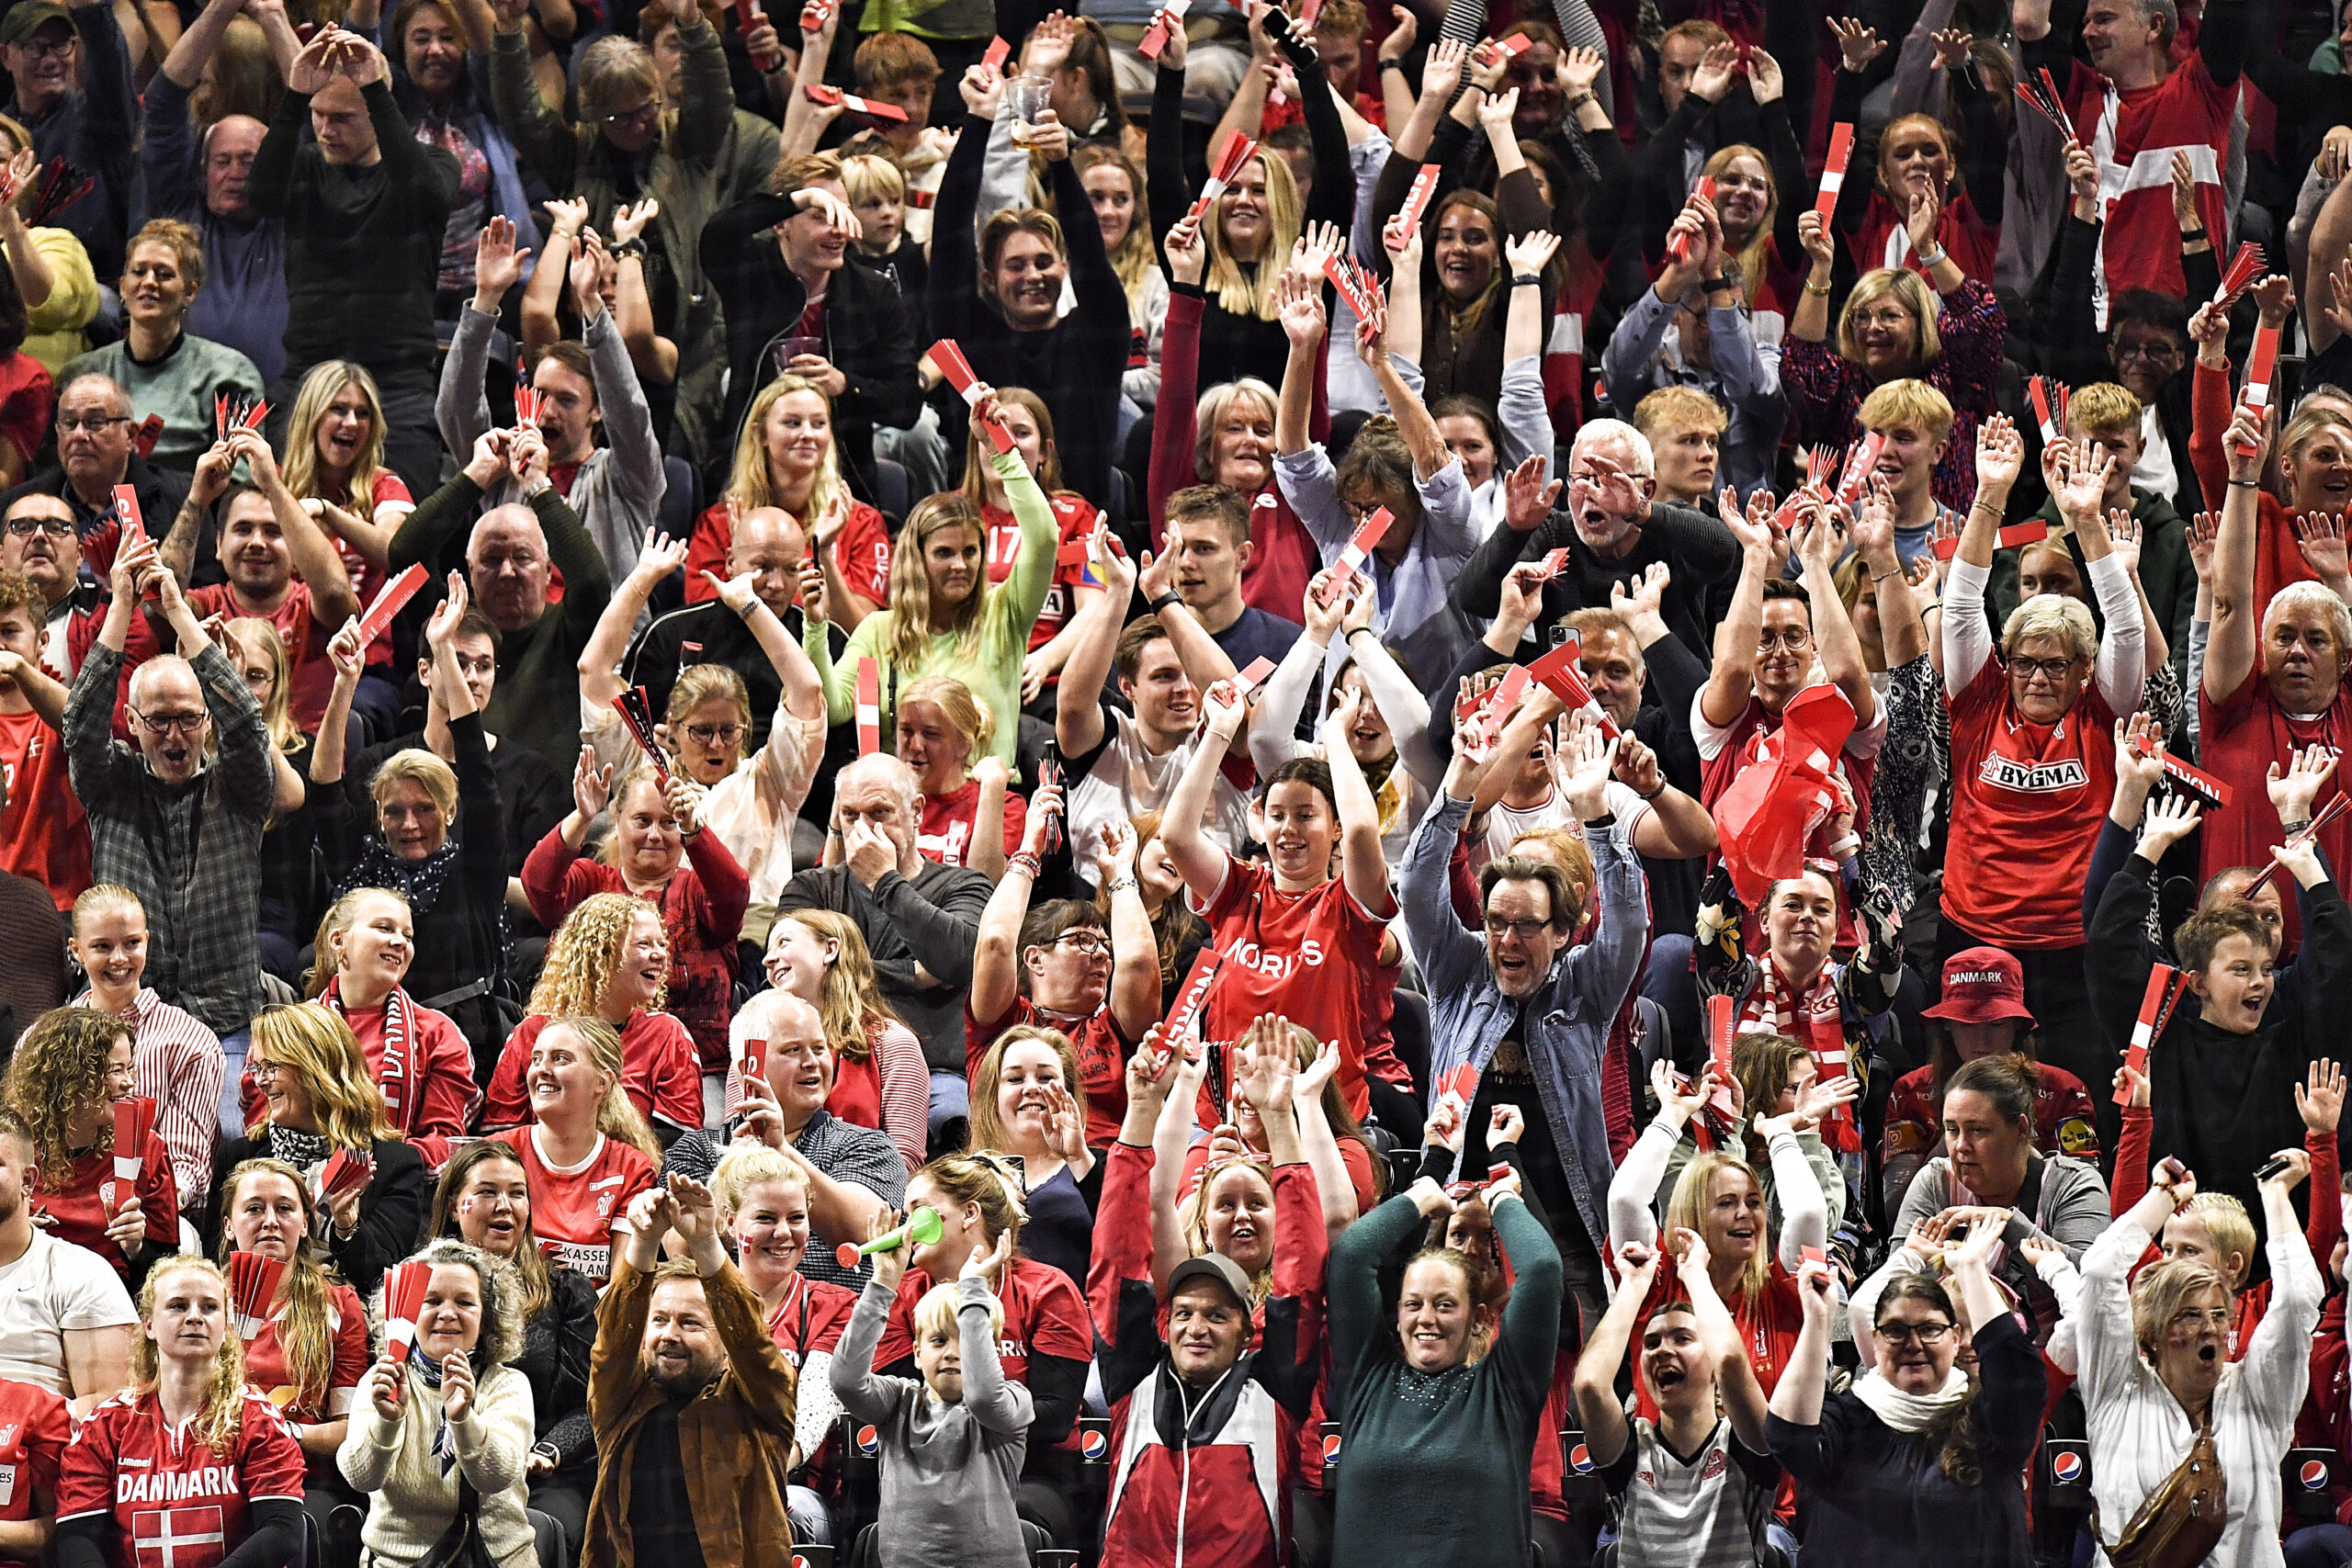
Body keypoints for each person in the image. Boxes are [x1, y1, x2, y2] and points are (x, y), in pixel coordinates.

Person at [1940, 418, 2143, 1093]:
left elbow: (2128, 621)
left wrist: (2085, 519)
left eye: (2055, 665)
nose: (2037, 678)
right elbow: (1962, 599)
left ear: (2086, 669)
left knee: (2081, 1102)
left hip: (2074, 949)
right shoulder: (1979, 699)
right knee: (1974, 1103)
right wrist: (1990, 493)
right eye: (2024, 663)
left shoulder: (2102, 708)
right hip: (1977, 938)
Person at [1086, 1032, 1324, 1567]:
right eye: (1186, 1313)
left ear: (1247, 1331)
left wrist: (1281, 1121)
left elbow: (1301, 1275)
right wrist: (1140, 1114)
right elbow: (1117, 1258)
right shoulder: (1133, 1383)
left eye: (1218, 1315)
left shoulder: (1274, 1388)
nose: (1198, 1327)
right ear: (1165, 1327)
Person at [2090, 788, 2351, 1245]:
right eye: (2240, 969)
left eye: (2267, 970)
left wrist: (2312, 873)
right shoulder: (2160, 1034)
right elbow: (2108, 945)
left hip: (2274, 1256)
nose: (2259, 981)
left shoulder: (2297, 1037)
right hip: (2178, 1249)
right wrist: (2148, 849)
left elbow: (2339, 963)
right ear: (2197, 980)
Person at [1163, 671, 1402, 1129]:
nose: (1288, 829)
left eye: (1305, 815)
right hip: (1225, 1123)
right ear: (1261, 824)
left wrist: (1335, 738)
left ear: (1334, 828)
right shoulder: (1237, 889)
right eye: (1277, 815)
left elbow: (1362, 830)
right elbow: (1176, 836)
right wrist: (1218, 730)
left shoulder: (1349, 906)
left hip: (1325, 1126)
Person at [579, 535, 828, 958]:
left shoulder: (771, 780)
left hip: (752, 945)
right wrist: (644, 579)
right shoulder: (645, 772)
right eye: (701, 731)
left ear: (746, 730)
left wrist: (750, 607)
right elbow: (594, 669)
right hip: (650, 938)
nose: (717, 743)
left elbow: (807, 686)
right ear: (673, 729)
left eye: (729, 730)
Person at [63, 538, 269, 1048]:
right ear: (132, 723)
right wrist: (122, 606)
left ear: (207, 720)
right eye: (158, 721)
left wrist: (181, 615)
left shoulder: (240, 787)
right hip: (123, 1024)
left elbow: (246, 724)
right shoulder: (112, 785)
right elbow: (81, 725)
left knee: (223, 1130)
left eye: (188, 719)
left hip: (227, 1021)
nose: (175, 737)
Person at [2080, 1153, 2322, 1565]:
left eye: (2217, 1314)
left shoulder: (2257, 1396)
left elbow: (2299, 1298)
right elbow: (2101, 1274)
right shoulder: (2116, 1389)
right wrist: (2164, 1196)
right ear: (2152, 1334)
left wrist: (2276, 1193)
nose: (2210, 1328)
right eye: (2190, 1316)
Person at [250, 27, 458, 494]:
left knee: (406, 533)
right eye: (318, 115)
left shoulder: (433, 165)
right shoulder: (304, 164)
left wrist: (375, 89)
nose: (326, 129)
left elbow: (423, 194)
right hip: (305, 378)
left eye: (342, 117)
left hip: (398, 386)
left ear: (380, 113)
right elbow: (260, 195)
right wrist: (293, 95)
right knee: (277, 519)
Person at [1765, 1220, 2046, 1565]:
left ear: (1955, 1338)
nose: (1914, 1344)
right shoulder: (1848, 1420)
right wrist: (1817, 1322)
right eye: (1896, 1331)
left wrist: (1971, 1269)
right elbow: (1787, 1437)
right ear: (1876, 1339)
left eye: (1930, 1329)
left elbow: (2020, 1377)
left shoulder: (1991, 1422)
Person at [310, 587, 510, 1071]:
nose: (409, 824)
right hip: (361, 1055)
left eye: (424, 809)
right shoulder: (361, 871)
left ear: (449, 814)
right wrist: (344, 684)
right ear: (378, 815)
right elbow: (324, 786)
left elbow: (480, 778)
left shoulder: (475, 871)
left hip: (465, 1051)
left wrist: (444, 650)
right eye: (394, 811)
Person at [1326, 1156, 1559, 1563]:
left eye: (1445, 1305)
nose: (1426, 1319)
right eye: (1413, 1304)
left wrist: (1502, 1194)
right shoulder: (1367, 1378)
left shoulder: (1504, 1391)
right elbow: (1351, 1256)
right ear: (1396, 1313)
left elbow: (1541, 1269)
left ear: (1478, 1319)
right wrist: (1420, 1196)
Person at [856, 1153, 1090, 1549]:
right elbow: (899, 1402)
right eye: (904, 1215)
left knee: (1018, 1521)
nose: (906, 1229)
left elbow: (1056, 1416)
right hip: (925, 1464)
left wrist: (981, 1420)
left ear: (969, 1214)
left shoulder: (1047, 1289)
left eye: (921, 1212)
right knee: (869, 1528)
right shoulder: (902, 1295)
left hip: (1034, 1468)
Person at [810, 399, 1055, 770]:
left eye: (971, 552)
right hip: (906, 808)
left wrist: (999, 450)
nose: (961, 565)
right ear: (917, 558)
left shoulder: (1004, 614)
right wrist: (815, 627)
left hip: (987, 808)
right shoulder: (879, 632)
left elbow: (1044, 537)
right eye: (944, 553)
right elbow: (832, 706)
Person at [585, 1174, 799, 1568]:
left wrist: (704, 1242)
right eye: (660, 1320)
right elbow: (614, 1341)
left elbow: (752, 1341)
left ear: (725, 1343)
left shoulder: (760, 1406)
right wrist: (644, 1241)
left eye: (691, 1323)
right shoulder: (621, 1402)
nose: (670, 1335)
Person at [2200, 400, 2352, 947]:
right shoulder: (2232, 706)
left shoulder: (2348, 710)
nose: (2297, 652)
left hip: (2333, 967)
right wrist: (2242, 480)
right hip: (2234, 966)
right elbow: (2231, 604)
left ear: (2343, 659)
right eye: (2283, 637)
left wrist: (2338, 578)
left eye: (2316, 641)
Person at [443, 219, 666, 584]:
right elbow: (456, 409)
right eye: (540, 395)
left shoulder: (627, 475)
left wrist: (592, 304)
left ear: (597, 410)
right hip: (513, 633)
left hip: (602, 638)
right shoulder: (504, 471)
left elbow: (629, 409)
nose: (547, 412)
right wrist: (484, 301)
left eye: (566, 400)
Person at [779, 754, 992, 1134]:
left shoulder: (964, 885)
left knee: (952, 1122)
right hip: (827, 1064)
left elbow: (960, 960)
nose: (862, 830)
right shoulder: (810, 888)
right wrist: (914, 973)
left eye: (878, 812)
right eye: (850, 815)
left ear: (916, 811)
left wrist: (883, 881)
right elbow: (787, 972)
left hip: (934, 1072)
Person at [698, 156, 920, 509]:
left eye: (842, 213)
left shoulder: (873, 293)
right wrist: (799, 199)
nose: (838, 229)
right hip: (749, 473)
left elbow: (907, 404)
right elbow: (716, 233)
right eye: (821, 215)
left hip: (844, 481)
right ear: (782, 224)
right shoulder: (751, 272)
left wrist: (844, 385)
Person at [54, 1259, 305, 1568]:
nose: (195, 1317)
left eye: (210, 1307)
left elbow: (282, 1531)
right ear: (148, 1325)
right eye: (177, 1306)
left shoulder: (259, 1418)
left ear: (227, 1328)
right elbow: (75, 1538)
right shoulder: (104, 1427)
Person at [386, 428, 613, 766]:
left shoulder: (570, 632)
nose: (507, 572)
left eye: (522, 558)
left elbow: (592, 581)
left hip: (545, 805)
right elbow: (405, 553)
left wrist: (538, 487)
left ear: (550, 570)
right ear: (470, 569)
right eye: (492, 559)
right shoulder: (448, 625)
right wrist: (475, 476)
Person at [831, 1200, 1032, 1568]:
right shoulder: (899, 1401)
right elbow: (846, 1381)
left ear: (989, 1348)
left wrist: (973, 1291)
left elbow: (984, 1397)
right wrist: (882, 1285)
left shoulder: (1014, 1401)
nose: (953, 1353)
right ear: (917, 1353)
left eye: (967, 1339)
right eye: (939, 1340)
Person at [1450, 418, 1739, 664]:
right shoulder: (1551, 532)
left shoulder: (1669, 527)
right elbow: (1474, 599)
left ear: (1647, 489)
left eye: (1610, 480)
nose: (1592, 492)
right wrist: (1513, 530)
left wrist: (1641, 511)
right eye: (1581, 479)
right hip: (1571, 717)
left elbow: (1723, 551)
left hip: (1669, 716)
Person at [525, 758, 750, 1074]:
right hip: (592, 1067)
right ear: (618, 822)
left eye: (669, 823)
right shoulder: (591, 883)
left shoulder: (698, 891)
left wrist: (696, 829)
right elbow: (539, 884)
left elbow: (734, 891)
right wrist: (583, 816)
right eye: (643, 821)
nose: (655, 835)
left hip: (699, 1071)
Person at [666, 995, 903, 1292]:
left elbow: (869, 1228)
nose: (812, 1062)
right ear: (748, 1069)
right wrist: (737, 1166)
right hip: (725, 1327)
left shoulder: (866, 1144)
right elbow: (679, 1249)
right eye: (793, 1050)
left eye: (819, 1048)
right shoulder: (697, 1150)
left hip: (834, 1330)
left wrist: (780, 1151)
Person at [427, 1141, 598, 1551]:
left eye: (517, 1193)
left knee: (535, 1530)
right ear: (455, 1206)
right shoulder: (417, 1286)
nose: (505, 1205)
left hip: (538, 1475)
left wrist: (549, 1451)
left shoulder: (566, 1291)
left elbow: (591, 1403)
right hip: (434, 1467)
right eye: (487, 1192)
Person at [1573, 1234, 1778, 1568]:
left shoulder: (1743, 1445)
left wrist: (1696, 1272)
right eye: (1651, 1343)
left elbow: (1728, 1358)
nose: (1663, 1350)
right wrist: (1633, 1286)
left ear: (1711, 1368)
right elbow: (1590, 1385)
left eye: (1683, 1338)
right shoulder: (1632, 1449)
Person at [204, 1004, 428, 1302]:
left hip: (348, 1330)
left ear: (315, 1069)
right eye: (257, 1068)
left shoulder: (394, 1164)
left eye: (272, 1067)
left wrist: (347, 1225)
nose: (260, 1081)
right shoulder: (239, 1158)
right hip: (253, 1321)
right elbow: (215, 1264)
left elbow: (381, 1282)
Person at [1785, 211, 2004, 512]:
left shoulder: (1955, 376)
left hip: (1948, 543)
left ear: (1921, 321)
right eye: (1862, 317)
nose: (1873, 327)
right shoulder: (1841, 385)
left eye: (1889, 316)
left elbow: (1980, 320)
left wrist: (1928, 249)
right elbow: (1802, 360)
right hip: (1855, 545)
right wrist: (1822, 267)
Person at [968, 808, 1158, 1150]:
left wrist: (1120, 876)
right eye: (1082, 941)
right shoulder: (1003, 1022)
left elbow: (1140, 962)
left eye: (1104, 946)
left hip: (1096, 1179)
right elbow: (996, 941)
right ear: (1035, 958)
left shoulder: (1116, 1032)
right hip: (1003, 1182)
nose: (1101, 954)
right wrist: (1028, 850)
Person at [338, 1240, 535, 1568]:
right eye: (432, 1301)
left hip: (496, 1561)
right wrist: (387, 1421)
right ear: (408, 1313)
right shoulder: (381, 1380)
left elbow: (495, 1478)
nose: (447, 1313)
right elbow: (360, 1478)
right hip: (395, 1562)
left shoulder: (508, 1385)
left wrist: (464, 1420)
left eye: (465, 1302)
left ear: (486, 1318)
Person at [158, 428, 361, 738]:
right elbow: (157, 600)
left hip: (305, 761)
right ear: (218, 544)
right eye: (243, 530)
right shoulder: (206, 607)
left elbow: (335, 593)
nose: (257, 542)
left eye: (273, 531)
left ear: (294, 545)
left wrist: (273, 485)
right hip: (215, 760)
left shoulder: (310, 606)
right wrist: (198, 496)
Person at [1883, 947, 2104, 1215]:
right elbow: (1894, 1210)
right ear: (1947, 1026)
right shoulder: (1912, 1091)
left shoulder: (2064, 1091)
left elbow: (2087, 1202)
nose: (1981, 1042)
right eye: (1966, 1024)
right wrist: (1954, 1134)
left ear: (2018, 1025)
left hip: (2043, 1240)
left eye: (1995, 1025)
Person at [708, 1144, 854, 1545]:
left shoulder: (833, 1306)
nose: (783, 1233)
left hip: (798, 1488)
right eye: (765, 1218)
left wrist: (758, 1476)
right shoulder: (695, 1303)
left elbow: (815, 1408)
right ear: (728, 1221)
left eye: (796, 1218)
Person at [139, 0, 290, 386]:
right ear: (204, 170)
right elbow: (162, 103)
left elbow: (321, 111)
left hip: (281, 410)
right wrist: (221, 8)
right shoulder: (180, 216)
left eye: (249, 162)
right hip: (189, 407)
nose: (236, 174)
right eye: (223, 162)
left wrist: (273, 17)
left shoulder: (296, 218)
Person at [1601, 191, 1785, 501]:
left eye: (1733, 314)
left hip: (1743, 538)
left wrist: (1714, 279)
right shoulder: (1653, 363)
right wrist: (1677, 274)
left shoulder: (1766, 359)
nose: (1718, 330)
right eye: (1704, 317)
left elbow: (1747, 387)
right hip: (1654, 528)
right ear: (1676, 317)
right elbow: (1618, 368)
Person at [210, 1158, 369, 1502]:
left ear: (304, 1225)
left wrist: (284, 1431)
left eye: (284, 1208)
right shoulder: (202, 1301)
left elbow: (350, 1428)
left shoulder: (340, 1304)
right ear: (227, 1226)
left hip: (306, 1484)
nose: (270, 1221)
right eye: (254, 1209)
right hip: (214, 1475)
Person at [481, 895, 704, 1138]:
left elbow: (683, 1144)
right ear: (601, 953)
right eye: (644, 944)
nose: (661, 955)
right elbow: (498, 1134)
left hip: (633, 1171)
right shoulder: (532, 1033)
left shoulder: (667, 1034)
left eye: (662, 944)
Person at [684, 377, 892, 632]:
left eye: (818, 424)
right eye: (793, 423)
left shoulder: (862, 522)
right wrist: (742, 557)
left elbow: (861, 636)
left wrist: (823, 553)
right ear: (760, 434)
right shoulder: (720, 522)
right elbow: (704, 626)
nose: (807, 434)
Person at [57, 220, 265, 476]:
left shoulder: (229, 373)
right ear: (122, 286)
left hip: (191, 508)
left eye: (164, 274)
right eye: (139, 271)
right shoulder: (82, 375)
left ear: (190, 292)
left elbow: (239, 480)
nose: (149, 282)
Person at [66, 886, 223, 1218]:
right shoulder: (47, 1040)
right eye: (102, 947)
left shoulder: (190, 1040)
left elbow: (187, 1162)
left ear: (148, 942)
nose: (120, 959)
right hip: (64, 1208)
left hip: (153, 1214)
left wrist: (147, 1211)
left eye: (131, 943)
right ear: (77, 950)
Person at [296, 888, 480, 1169]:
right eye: (384, 928)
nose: (399, 942)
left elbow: (445, 1142)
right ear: (338, 941)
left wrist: (367, 1166)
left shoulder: (438, 1033)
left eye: (408, 936)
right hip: (294, 1194)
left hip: (399, 1194)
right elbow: (266, 1128)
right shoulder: (292, 1031)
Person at [2, 1008, 175, 1287]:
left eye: (129, 1068)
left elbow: (169, 1273)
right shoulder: (11, 1148)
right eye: (115, 1071)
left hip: (115, 1304)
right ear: (71, 1077)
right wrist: (14, 1239)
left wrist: (135, 1248)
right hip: (24, 1301)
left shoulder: (147, 1150)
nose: (129, 1082)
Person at [491, 1015, 660, 1290]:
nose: (542, 1070)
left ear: (601, 1083)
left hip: (592, 1323)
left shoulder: (631, 1168)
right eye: (536, 1059)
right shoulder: (498, 1153)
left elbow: (622, 1290)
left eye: (560, 1059)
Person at [752, 912, 928, 1171]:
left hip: (865, 1198)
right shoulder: (756, 1047)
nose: (768, 960)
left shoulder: (894, 1043)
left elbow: (904, 1161)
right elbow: (740, 1150)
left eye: (784, 942)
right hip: (772, 1198)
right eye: (768, 950)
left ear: (830, 950)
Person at [0, 1111, 133, 1409]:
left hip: (37, 1447)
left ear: (27, 1180)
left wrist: (19, 1426)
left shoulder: (84, 1275)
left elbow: (113, 1408)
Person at [0, 374, 192, 561]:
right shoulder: (15, 505)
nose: (79, 435)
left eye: (95, 423)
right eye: (69, 423)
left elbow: (205, 580)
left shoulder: (180, 500)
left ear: (131, 435)